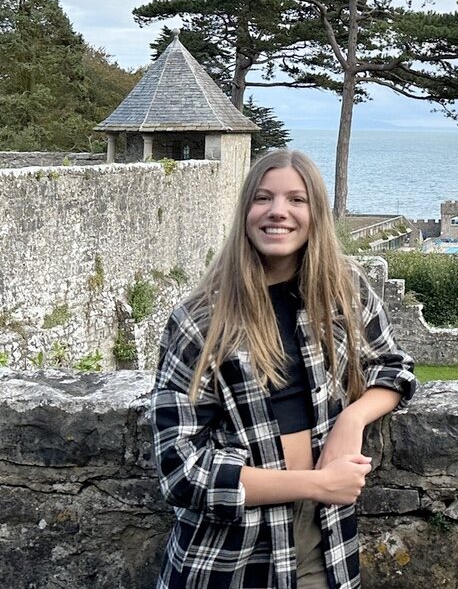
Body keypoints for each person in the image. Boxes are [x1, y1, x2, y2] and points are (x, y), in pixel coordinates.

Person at [149, 149, 416, 588]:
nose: (278, 212)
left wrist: (354, 417)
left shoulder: (343, 289)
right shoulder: (200, 321)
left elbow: (393, 366)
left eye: (296, 199)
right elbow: (182, 471)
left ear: (316, 212)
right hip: (229, 556)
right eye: (263, 198)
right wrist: (317, 484)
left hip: (324, 545)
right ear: (245, 211)